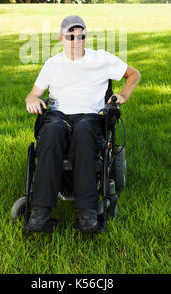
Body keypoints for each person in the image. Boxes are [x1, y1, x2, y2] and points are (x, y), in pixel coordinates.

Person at [25, 15, 141, 232]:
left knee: (84, 132)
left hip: (89, 117)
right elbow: (33, 95)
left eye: (81, 36)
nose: (76, 41)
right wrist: (31, 99)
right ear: (61, 38)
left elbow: (134, 74)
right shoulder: (53, 64)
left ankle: (87, 215)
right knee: (51, 134)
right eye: (71, 37)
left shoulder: (101, 59)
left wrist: (123, 95)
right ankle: (39, 214)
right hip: (58, 116)